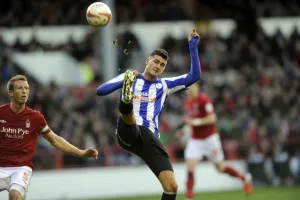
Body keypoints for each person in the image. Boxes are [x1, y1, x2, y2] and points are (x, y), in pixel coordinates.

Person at [96, 29, 201, 200]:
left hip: (149, 138)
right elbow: (100, 91)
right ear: (147, 61)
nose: (158, 66)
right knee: (129, 114)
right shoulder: (130, 76)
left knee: (171, 186)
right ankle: (126, 102)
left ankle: (126, 102)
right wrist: (125, 79)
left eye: (162, 65)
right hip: (127, 132)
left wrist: (193, 47)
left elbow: (194, 76)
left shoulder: (165, 85)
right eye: (156, 62)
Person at [0, 75, 99, 200]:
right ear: (11, 93)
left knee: (14, 195)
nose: (24, 91)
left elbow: (55, 140)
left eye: (26, 88)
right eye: (20, 88)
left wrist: (81, 152)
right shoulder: (1, 113)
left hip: (20, 168)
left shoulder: (35, 117)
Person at [176, 83, 253, 200]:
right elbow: (191, 122)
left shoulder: (204, 99)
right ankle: (189, 197)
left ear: (197, 88)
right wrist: (184, 130)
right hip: (195, 140)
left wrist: (196, 122)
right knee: (190, 168)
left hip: (210, 139)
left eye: (191, 88)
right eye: (187, 89)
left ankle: (243, 177)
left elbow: (212, 118)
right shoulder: (187, 103)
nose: (189, 91)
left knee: (220, 168)